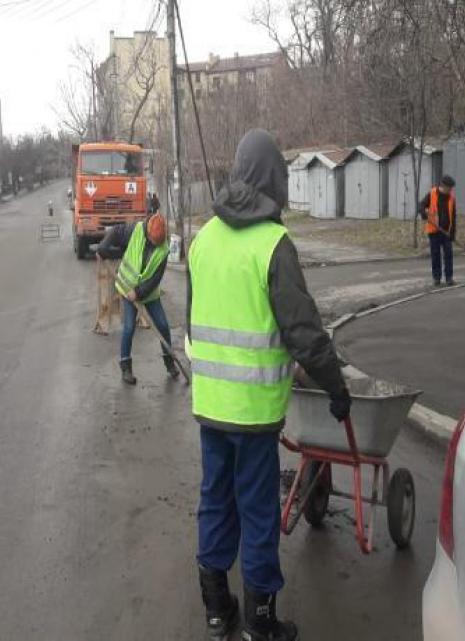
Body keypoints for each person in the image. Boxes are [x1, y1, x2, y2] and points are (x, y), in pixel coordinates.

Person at [187, 129, 351, 641]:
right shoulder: (273, 244)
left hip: (210, 407)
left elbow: (196, 325)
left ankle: (218, 611)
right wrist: (336, 388)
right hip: (254, 413)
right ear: (273, 178)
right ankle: (260, 621)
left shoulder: (202, 239)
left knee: (216, 501)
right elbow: (303, 333)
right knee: (257, 510)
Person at [96, 213, 179, 384]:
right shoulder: (137, 230)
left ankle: (169, 362)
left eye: (159, 243)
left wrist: (139, 293)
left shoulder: (163, 249)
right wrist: (104, 247)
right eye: (154, 242)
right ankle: (125, 367)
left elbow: (155, 278)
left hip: (148, 294)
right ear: (148, 234)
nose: (157, 245)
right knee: (128, 328)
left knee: (163, 326)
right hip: (127, 290)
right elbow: (117, 231)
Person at [419, 175, 457, 286]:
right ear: (443, 186)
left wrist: (453, 233)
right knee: (435, 255)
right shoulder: (431, 194)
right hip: (434, 231)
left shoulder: (451, 197)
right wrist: (423, 213)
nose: (451, 190)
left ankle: (449, 277)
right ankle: (436, 278)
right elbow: (420, 205)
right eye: (449, 188)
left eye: (451, 188)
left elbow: (453, 216)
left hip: (446, 232)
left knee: (448, 254)